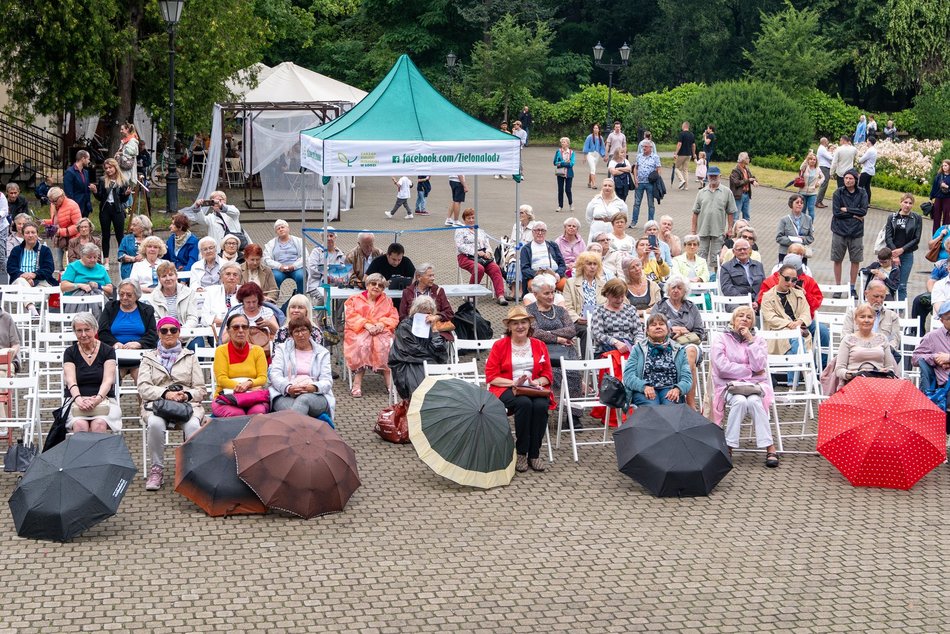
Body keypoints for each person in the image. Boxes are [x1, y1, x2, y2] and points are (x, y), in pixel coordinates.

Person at [138, 316, 207, 490]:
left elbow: (200, 389)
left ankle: (193, 468)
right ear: (158, 333)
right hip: (157, 405)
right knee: (154, 424)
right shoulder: (148, 358)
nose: (169, 333)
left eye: (173, 330)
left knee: (193, 426)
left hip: (186, 405)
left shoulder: (190, 357)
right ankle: (156, 469)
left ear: (179, 332)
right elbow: (143, 388)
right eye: (164, 330)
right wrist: (166, 394)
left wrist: (185, 395)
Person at [485, 306, 554, 473]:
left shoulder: (539, 345)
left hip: (533, 387)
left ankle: (534, 454)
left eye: (523, 322)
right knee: (524, 403)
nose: (520, 326)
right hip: (506, 387)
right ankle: (522, 452)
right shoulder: (500, 345)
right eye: (515, 323)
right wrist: (514, 382)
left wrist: (535, 382)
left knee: (540, 405)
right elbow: (491, 377)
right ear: (509, 327)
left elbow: (548, 375)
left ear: (529, 325)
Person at [711, 306, 778, 466]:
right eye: (740, 316)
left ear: (752, 323)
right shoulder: (721, 338)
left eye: (749, 317)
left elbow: (760, 365)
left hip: (754, 386)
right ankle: (729, 446)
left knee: (754, 401)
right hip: (728, 386)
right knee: (740, 401)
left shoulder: (758, 340)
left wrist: (751, 341)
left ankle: (769, 446)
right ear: (733, 320)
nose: (744, 319)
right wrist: (750, 371)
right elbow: (722, 368)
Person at [650, 275, 705, 409]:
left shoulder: (691, 307)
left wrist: (685, 332)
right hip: (665, 345)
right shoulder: (659, 307)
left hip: (688, 344)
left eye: (679, 288)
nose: (676, 290)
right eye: (673, 287)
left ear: (685, 291)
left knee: (690, 352)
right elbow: (651, 330)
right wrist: (671, 332)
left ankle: (689, 403)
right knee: (688, 361)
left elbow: (700, 332)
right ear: (668, 289)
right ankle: (681, 399)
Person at [63, 312, 121, 433]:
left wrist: (97, 399)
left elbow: (108, 381)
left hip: (104, 399)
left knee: (99, 424)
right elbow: (71, 381)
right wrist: (79, 400)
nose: (83, 334)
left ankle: (98, 447)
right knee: (80, 425)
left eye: (87, 330)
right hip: (75, 400)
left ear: (95, 330)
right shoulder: (69, 352)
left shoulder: (108, 351)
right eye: (79, 331)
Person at [526, 275, 581, 403]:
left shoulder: (560, 310)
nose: (551, 296)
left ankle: (572, 410)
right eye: (546, 293)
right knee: (553, 373)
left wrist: (548, 333)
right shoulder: (529, 311)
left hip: (564, 350)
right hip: (540, 352)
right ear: (535, 294)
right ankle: (553, 404)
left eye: (553, 292)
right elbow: (534, 332)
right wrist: (558, 339)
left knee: (573, 372)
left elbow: (571, 330)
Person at [343, 272, 397, 398]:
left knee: (385, 345)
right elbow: (350, 316)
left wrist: (381, 324)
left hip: (380, 331)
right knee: (362, 344)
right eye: (373, 283)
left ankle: (389, 381)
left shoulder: (387, 301)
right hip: (359, 330)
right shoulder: (354, 299)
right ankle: (357, 383)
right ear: (367, 285)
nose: (376, 287)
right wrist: (366, 325)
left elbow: (393, 317)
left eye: (380, 285)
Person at [269, 316, 334, 419]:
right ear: (291, 335)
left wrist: (314, 387)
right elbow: (275, 374)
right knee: (295, 409)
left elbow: (327, 380)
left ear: (310, 332)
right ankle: (311, 427)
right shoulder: (282, 349)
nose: (300, 334)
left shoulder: (322, 353)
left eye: (303, 330)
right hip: (285, 394)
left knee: (303, 401)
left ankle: (296, 428)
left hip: (315, 395)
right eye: (296, 331)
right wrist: (288, 388)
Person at [387, 296, 449, 401]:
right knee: (418, 382)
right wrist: (431, 355)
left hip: (428, 361)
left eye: (428, 313)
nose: (425, 316)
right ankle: (419, 403)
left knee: (440, 382)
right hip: (407, 362)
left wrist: (434, 330)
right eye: (422, 313)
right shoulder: (405, 326)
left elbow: (440, 350)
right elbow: (411, 350)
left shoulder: (431, 326)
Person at [623, 313, 692, 407]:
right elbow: (628, 376)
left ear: (668, 330)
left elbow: (687, 378)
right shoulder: (638, 348)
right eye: (653, 325)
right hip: (644, 389)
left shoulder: (679, 349)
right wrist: (643, 387)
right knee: (652, 406)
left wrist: (678, 389)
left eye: (661, 324)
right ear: (647, 331)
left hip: (670, 388)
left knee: (670, 406)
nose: (658, 327)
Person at [211, 313, 270, 417]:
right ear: (228, 331)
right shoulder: (221, 351)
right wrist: (245, 387)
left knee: (257, 412)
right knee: (237, 414)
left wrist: (249, 383)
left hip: (253, 397)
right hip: (227, 397)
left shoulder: (258, 351)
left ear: (248, 330)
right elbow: (221, 380)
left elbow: (262, 378)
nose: (241, 330)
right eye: (236, 327)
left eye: (244, 327)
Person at [98, 279, 158, 381]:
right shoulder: (110, 307)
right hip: (115, 354)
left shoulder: (147, 310)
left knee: (142, 378)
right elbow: (103, 332)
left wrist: (139, 344)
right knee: (112, 379)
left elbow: (152, 334)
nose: (124, 297)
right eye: (121, 294)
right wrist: (115, 343)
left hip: (140, 356)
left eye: (129, 295)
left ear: (137, 296)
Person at [834, 303, 898, 385]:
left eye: (870, 317)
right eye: (862, 317)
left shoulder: (883, 339)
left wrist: (885, 372)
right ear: (856, 320)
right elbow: (839, 370)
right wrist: (853, 374)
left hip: (878, 383)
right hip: (854, 383)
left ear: (874, 320)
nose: (866, 320)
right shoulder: (847, 340)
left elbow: (890, 367)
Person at [455, 208, 507, 304]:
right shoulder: (460, 230)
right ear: (464, 220)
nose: (471, 220)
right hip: (466, 257)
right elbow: (460, 246)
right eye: (468, 218)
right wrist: (476, 252)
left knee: (495, 268)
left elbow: (487, 245)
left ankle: (500, 295)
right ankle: (470, 295)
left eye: (473, 218)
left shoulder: (481, 231)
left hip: (483, 257)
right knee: (479, 269)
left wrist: (488, 252)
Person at [761, 265, 812, 362]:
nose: (789, 282)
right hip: (778, 333)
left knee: (820, 333)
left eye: (794, 280)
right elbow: (771, 318)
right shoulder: (767, 296)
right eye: (787, 278)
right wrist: (789, 324)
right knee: (795, 340)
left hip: (798, 329)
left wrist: (799, 322)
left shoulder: (799, 294)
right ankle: (803, 366)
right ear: (778, 276)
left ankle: (800, 367)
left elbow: (806, 312)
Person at [913, 301, 950, 432]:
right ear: (941, 320)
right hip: (944, 386)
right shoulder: (932, 337)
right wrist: (935, 358)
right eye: (949, 318)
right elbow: (915, 358)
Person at [691, 166, 737, 273]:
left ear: (720, 176)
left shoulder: (727, 192)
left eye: (715, 176)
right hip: (702, 231)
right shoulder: (701, 192)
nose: (713, 178)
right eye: (711, 176)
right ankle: (701, 278)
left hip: (718, 231)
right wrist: (693, 231)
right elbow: (695, 212)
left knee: (717, 259)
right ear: (707, 176)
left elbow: (731, 212)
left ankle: (717, 278)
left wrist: (730, 229)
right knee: (700, 258)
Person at [831, 169, 869, 295]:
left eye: (850, 178)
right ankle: (837, 287)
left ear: (855, 180)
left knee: (855, 260)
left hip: (856, 232)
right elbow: (837, 212)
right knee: (837, 259)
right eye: (846, 178)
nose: (847, 180)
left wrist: (847, 209)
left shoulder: (862, 192)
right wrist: (854, 215)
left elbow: (863, 211)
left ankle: (852, 288)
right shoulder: (838, 193)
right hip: (839, 231)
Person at [7, 222, 56, 313]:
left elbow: (49, 269)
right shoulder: (16, 250)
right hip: (20, 282)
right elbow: (11, 268)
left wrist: (34, 275)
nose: (30, 235)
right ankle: (33, 310)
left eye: (33, 232)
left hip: (41, 283)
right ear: (23, 235)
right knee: (20, 282)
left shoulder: (45, 250)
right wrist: (24, 276)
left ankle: (30, 310)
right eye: (27, 233)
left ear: (37, 234)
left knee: (23, 294)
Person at [843, 280, 900, 355]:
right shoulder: (852, 314)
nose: (879, 300)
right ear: (866, 294)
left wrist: (884, 350)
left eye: (882, 297)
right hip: (857, 354)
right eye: (876, 296)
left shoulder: (892, 316)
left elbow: (895, 341)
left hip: (882, 355)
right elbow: (845, 337)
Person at [398, 264, 455, 340]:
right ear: (418, 277)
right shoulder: (407, 292)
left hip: (434, 329)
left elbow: (449, 312)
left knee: (437, 342)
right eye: (430, 276)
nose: (433, 278)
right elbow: (402, 316)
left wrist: (436, 317)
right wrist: (414, 322)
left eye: (433, 275)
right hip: (413, 330)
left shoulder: (438, 291)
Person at [563, 251, 606, 350]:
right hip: (579, 321)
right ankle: (586, 358)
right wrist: (577, 318)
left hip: (600, 320)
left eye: (595, 264)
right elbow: (567, 306)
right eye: (589, 264)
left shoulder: (603, 284)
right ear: (582, 266)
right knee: (586, 330)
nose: (592, 267)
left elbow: (608, 304)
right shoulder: (571, 283)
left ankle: (606, 355)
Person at [592, 278, 644, 355]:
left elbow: (638, 332)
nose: (619, 300)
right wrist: (615, 342)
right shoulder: (599, 311)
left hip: (629, 347)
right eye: (616, 297)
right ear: (607, 294)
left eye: (622, 296)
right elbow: (597, 334)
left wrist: (637, 344)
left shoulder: (631, 309)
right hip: (607, 349)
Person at [93, 158, 130, 266]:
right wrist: (95, 192)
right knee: (106, 235)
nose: (108, 170)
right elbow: (100, 197)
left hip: (117, 209)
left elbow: (123, 200)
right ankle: (106, 260)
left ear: (115, 167)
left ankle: (121, 256)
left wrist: (126, 195)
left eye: (110, 167)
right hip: (105, 209)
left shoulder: (123, 180)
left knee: (120, 235)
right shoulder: (102, 180)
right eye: (106, 168)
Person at [222, 282, 280, 347]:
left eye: (254, 301)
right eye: (248, 302)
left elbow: (280, 334)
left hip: (264, 349)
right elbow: (224, 340)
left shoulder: (267, 312)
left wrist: (269, 324)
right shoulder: (235, 313)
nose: (251, 305)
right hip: (241, 348)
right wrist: (235, 328)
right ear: (242, 301)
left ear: (259, 300)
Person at [149, 261, 199, 328]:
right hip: (163, 332)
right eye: (164, 276)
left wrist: (182, 330)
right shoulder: (154, 296)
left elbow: (192, 318)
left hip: (186, 331)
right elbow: (155, 320)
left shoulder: (189, 293)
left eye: (171, 275)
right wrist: (167, 330)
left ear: (176, 276)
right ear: (159, 279)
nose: (168, 278)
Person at [42, 187, 81, 271]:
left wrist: (60, 231)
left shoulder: (72, 205)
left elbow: (78, 226)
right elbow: (58, 221)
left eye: (55, 201)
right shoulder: (54, 205)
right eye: (51, 201)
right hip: (59, 240)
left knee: (72, 267)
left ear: (62, 196)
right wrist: (46, 222)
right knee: (60, 266)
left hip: (72, 241)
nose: (53, 203)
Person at [520, 222, 567, 292]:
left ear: (546, 232)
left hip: (555, 276)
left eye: (542, 230)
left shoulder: (553, 245)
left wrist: (558, 274)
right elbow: (525, 269)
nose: (540, 233)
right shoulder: (526, 249)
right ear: (532, 232)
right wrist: (539, 274)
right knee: (536, 287)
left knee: (569, 287)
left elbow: (562, 264)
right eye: (537, 230)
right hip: (536, 277)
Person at [263, 219, 305, 295]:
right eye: (278, 229)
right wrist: (279, 266)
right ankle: (274, 298)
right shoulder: (271, 243)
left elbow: (305, 256)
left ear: (288, 228)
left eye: (283, 227)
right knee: (275, 277)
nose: (281, 229)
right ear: (276, 232)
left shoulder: (299, 241)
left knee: (301, 276)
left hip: (296, 268)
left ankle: (300, 296)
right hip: (279, 269)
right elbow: (266, 259)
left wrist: (294, 266)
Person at [305, 226, 346, 301]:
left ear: (335, 237)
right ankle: (320, 310)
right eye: (326, 236)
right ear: (322, 238)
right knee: (324, 297)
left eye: (331, 236)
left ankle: (337, 310)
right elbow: (312, 269)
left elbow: (344, 271)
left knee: (344, 297)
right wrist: (328, 274)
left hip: (336, 285)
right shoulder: (316, 252)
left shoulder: (341, 254)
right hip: (317, 285)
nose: (329, 238)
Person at [775, 194, 815, 265]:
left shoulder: (808, 219)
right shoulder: (784, 220)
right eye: (797, 202)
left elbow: (811, 238)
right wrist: (793, 241)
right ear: (791, 204)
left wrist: (803, 239)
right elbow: (779, 238)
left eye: (801, 203)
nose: (799, 204)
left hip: (801, 254)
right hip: (786, 253)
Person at [200, 263, 242, 330]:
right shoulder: (211, 292)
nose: (231, 277)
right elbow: (204, 319)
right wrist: (227, 323)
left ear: (239, 278)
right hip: (216, 332)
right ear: (221, 277)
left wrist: (218, 321)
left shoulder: (244, 292)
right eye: (228, 274)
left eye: (235, 275)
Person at [586, 178, 628, 245]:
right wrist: (596, 224)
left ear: (613, 188)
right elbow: (588, 217)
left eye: (610, 186)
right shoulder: (595, 201)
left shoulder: (620, 203)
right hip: (596, 230)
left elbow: (624, 218)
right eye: (605, 185)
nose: (607, 188)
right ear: (602, 187)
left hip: (613, 231)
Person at [631, 142, 662, 226]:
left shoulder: (655, 157)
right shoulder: (639, 156)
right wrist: (635, 179)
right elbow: (635, 168)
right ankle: (634, 221)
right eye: (643, 146)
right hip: (640, 182)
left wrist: (657, 179)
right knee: (637, 203)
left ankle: (650, 222)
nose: (644, 148)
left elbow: (659, 169)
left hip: (650, 183)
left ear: (650, 147)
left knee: (651, 204)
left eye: (646, 146)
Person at [117, 214, 152, 280]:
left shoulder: (151, 240)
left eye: (134, 225)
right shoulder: (126, 239)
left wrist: (145, 256)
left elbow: (160, 254)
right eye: (131, 225)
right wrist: (134, 259)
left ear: (142, 227)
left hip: (149, 271)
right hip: (130, 272)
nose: (131, 227)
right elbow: (120, 256)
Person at [64, 150, 95, 219]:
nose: (89, 161)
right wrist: (73, 207)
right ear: (83, 159)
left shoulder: (86, 172)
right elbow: (69, 193)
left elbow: (86, 189)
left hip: (86, 207)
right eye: (88, 159)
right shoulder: (69, 172)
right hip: (75, 207)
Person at [729, 152, 758, 221]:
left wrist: (754, 181)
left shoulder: (746, 169)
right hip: (738, 195)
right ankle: (734, 228)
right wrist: (748, 180)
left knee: (746, 216)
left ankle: (746, 228)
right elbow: (736, 183)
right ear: (742, 160)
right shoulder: (735, 171)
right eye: (747, 158)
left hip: (746, 195)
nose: (749, 159)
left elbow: (751, 177)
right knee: (736, 216)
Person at [797, 152, 825, 219]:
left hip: (813, 192)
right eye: (811, 159)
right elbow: (801, 168)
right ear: (808, 160)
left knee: (811, 209)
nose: (813, 161)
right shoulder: (805, 167)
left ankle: (810, 224)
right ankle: (802, 223)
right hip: (802, 191)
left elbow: (823, 177)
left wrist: (818, 183)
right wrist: (807, 158)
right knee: (803, 209)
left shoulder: (818, 169)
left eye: (814, 159)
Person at [554, 137, 575, 213]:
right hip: (560, 173)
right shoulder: (558, 151)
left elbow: (572, 163)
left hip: (569, 173)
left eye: (564, 142)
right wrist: (564, 162)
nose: (562, 143)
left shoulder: (572, 152)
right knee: (560, 190)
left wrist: (561, 163)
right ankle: (560, 206)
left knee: (568, 189)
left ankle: (571, 203)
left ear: (568, 143)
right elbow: (555, 162)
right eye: (562, 142)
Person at [673, 121, 696, 190]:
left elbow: (679, 144)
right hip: (689, 154)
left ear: (684, 126)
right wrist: (693, 153)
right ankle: (686, 186)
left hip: (682, 154)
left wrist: (676, 153)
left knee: (676, 168)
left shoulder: (682, 134)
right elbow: (693, 145)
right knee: (685, 170)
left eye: (682, 125)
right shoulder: (691, 134)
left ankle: (681, 180)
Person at [929, 159, 950, 234]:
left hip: (947, 199)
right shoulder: (939, 176)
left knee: (947, 218)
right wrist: (931, 197)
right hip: (938, 199)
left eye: (946, 165)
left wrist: (947, 187)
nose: (944, 167)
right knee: (936, 217)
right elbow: (934, 187)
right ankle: (935, 235)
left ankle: (944, 235)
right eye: (943, 165)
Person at [583, 123, 606, 189]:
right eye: (594, 128)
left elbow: (602, 148)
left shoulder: (600, 138)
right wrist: (585, 157)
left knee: (592, 169)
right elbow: (586, 146)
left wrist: (603, 156)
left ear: (599, 130)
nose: (595, 129)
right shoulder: (589, 137)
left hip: (597, 155)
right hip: (590, 154)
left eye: (597, 128)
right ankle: (594, 184)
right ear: (593, 129)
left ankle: (589, 182)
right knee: (593, 169)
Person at [815, 137, 834, 209]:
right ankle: (818, 201)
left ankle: (820, 201)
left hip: (825, 167)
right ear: (824, 142)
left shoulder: (823, 148)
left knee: (825, 184)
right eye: (827, 141)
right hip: (824, 167)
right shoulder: (822, 149)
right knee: (824, 184)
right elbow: (830, 158)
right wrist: (834, 155)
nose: (828, 142)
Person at [857, 137, 878, 203]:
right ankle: (867, 201)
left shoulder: (870, 151)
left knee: (860, 186)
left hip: (866, 170)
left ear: (869, 142)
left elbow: (861, 160)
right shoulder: (874, 150)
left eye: (867, 141)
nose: (866, 142)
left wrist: (859, 160)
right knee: (867, 187)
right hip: (870, 170)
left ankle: (859, 201)